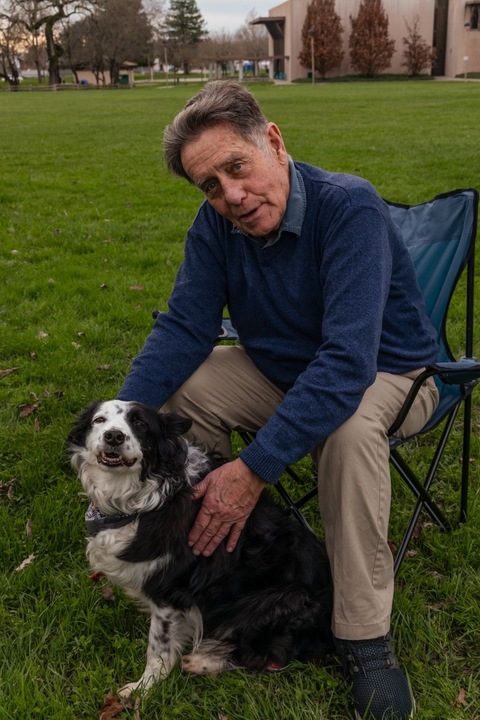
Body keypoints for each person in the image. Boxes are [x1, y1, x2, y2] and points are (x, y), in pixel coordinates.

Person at [117, 80, 439, 719]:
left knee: (344, 431)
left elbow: (348, 363)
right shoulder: (215, 227)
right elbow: (185, 328)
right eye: (210, 184)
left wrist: (254, 469)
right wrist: (116, 426)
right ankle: (213, 562)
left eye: (236, 167)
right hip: (284, 374)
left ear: (273, 141)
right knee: (186, 388)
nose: (231, 195)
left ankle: (364, 636)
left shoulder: (349, 208)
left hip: (390, 375)